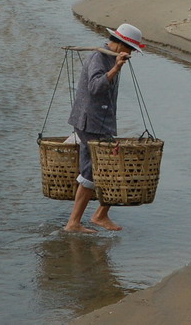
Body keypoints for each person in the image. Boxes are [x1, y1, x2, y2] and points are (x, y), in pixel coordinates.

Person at [64, 23, 145, 233]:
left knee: (108, 167)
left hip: (102, 122)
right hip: (90, 121)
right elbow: (94, 87)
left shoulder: (110, 57)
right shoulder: (98, 59)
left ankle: (100, 215)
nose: (132, 53)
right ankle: (75, 223)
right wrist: (116, 68)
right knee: (93, 171)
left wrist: (116, 65)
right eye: (131, 49)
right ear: (120, 45)